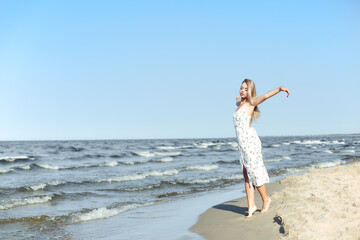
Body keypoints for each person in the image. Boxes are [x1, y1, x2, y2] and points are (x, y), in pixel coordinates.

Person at [233, 79, 290, 218]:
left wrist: (279, 89)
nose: (242, 91)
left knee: (254, 171)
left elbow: (265, 96)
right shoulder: (240, 103)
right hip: (241, 143)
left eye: (246, 89)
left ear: (251, 91)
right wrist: (239, 98)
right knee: (246, 174)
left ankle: (266, 199)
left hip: (250, 141)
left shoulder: (251, 102)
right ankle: (251, 206)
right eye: (241, 88)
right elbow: (237, 99)